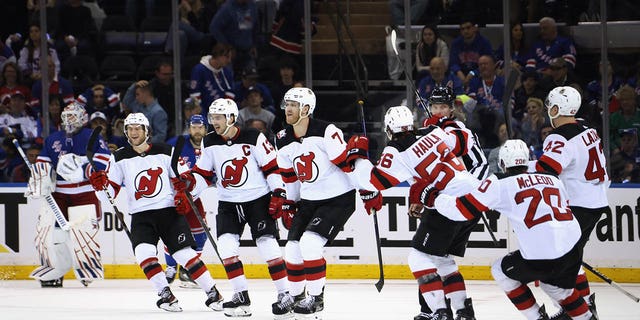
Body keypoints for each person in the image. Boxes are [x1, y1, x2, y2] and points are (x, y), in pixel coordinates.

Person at [431, 139, 596, 320]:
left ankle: (536, 317)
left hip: (542, 255)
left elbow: (461, 210)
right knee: (559, 289)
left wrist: (435, 198)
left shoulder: (499, 183)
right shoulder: (553, 179)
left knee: (500, 271)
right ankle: (588, 315)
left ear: (502, 163)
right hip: (572, 248)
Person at [347, 105, 480, 320]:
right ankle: (464, 313)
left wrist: (359, 155)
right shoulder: (433, 132)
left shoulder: (395, 149)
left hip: (447, 202)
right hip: (473, 198)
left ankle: (440, 312)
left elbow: (373, 181)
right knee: (442, 260)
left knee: (418, 259)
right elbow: (466, 141)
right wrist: (445, 123)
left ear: (389, 129)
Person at [88, 112, 225, 312]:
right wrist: (100, 186)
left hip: (168, 212)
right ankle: (165, 294)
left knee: (185, 255)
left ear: (146, 131)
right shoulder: (118, 157)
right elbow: (108, 196)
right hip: (141, 215)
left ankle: (213, 292)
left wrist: (182, 192)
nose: (133, 132)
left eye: (137, 128)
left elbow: (185, 180)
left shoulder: (166, 151)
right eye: (130, 129)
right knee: (144, 253)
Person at [182, 98, 292, 318]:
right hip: (228, 203)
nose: (214, 122)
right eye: (212, 117)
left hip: (257, 200)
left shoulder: (254, 137)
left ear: (231, 118)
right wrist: (190, 186)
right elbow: (203, 175)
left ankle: (285, 294)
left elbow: (272, 168)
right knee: (226, 248)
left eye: (218, 117)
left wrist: (279, 193)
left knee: (267, 245)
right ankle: (241, 295)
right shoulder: (209, 141)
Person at [275, 87, 358, 319]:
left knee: (310, 243)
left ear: (306, 109)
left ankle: (316, 298)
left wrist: (368, 190)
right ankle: (295, 295)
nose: (288, 109)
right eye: (287, 104)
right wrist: (290, 203)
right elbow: (290, 177)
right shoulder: (282, 139)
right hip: (309, 200)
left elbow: (346, 164)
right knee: (291, 249)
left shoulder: (326, 131)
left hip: (337, 199)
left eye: (294, 104)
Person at [529, 86, 607, 318]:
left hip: (577, 207)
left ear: (555, 108)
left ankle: (577, 311)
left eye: (549, 107)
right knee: (572, 260)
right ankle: (584, 304)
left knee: (554, 271)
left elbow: (548, 171)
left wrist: (521, 167)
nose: (548, 112)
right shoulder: (587, 128)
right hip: (595, 201)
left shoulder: (559, 136)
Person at [26, 103, 110, 287]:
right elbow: (43, 162)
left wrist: (84, 170)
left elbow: (104, 160)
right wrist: (41, 177)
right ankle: (56, 271)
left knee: (85, 232)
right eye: (66, 116)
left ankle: (87, 268)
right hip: (60, 193)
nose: (68, 120)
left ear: (83, 118)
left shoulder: (92, 135)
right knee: (54, 234)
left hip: (85, 191)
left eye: (73, 116)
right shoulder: (53, 139)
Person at [163, 114, 209, 288]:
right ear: (189, 128)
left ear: (205, 128)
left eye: (200, 126)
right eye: (194, 126)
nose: (197, 130)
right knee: (171, 233)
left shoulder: (210, 145)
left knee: (200, 234)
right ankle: (170, 267)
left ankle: (188, 270)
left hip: (195, 198)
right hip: (176, 197)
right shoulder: (177, 143)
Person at [190, 43, 235, 119]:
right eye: (227, 57)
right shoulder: (199, 70)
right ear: (218, 55)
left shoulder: (227, 71)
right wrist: (203, 114)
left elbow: (230, 92)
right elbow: (195, 95)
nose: (229, 61)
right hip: (203, 112)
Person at [448, 19, 493, 86]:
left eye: (468, 28)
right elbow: (453, 63)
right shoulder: (455, 43)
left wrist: (473, 73)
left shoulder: (484, 42)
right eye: (462, 29)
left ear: (475, 28)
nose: (465, 31)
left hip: (479, 75)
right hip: (460, 75)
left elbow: (489, 62)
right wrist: (459, 73)